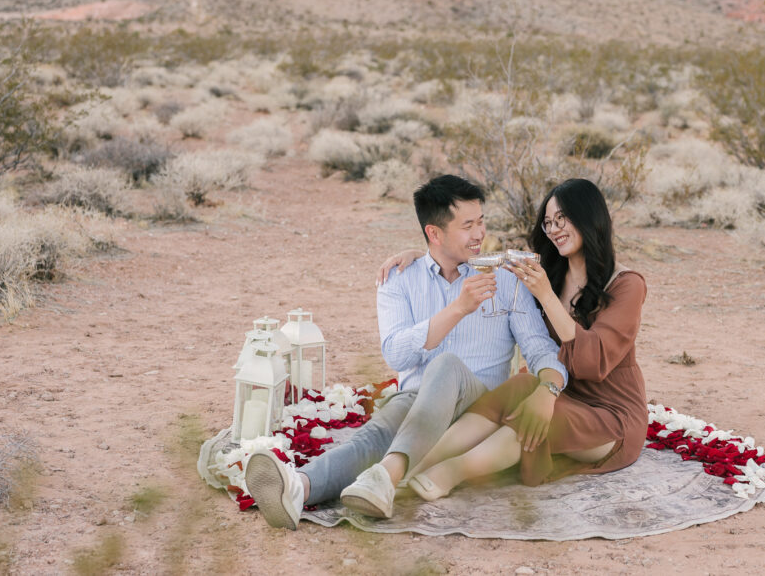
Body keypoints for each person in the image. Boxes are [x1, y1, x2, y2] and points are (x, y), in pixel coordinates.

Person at [244, 174, 568, 529]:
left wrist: (548, 389)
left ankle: (384, 476)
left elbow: (540, 348)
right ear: (434, 234)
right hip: (415, 404)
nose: (480, 233)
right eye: (468, 226)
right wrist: (458, 309)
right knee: (373, 436)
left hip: (479, 413)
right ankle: (299, 488)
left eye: (481, 221)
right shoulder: (398, 278)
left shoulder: (504, 280)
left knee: (445, 366)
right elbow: (396, 356)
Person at [388, 178, 647, 501]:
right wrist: (422, 254)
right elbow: (479, 259)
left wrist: (546, 296)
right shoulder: (550, 272)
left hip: (611, 416)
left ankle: (450, 472)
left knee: (531, 418)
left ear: (588, 216)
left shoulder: (626, 285)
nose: (554, 229)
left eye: (562, 218)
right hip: (562, 394)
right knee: (519, 386)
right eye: (548, 222)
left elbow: (593, 362)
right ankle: (412, 465)